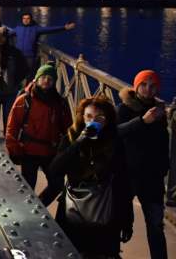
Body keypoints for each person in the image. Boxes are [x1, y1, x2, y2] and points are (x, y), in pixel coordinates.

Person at [50, 97, 133, 257]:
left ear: (107, 120)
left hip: (105, 210)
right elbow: (55, 169)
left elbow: (124, 181)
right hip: (73, 210)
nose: (92, 121)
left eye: (99, 118)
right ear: (82, 117)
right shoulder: (71, 137)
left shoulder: (114, 142)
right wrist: (79, 142)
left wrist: (127, 220)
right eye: (88, 116)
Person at [118, 70, 169, 259]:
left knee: (155, 225)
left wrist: (165, 167)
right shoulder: (124, 108)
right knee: (119, 221)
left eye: (153, 85)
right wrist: (142, 121)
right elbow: (116, 133)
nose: (148, 89)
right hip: (127, 174)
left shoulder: (160, 112)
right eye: (144, 84)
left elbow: (164, 142)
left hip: (153, 178)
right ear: (136, 85)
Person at [4, 64, 71, 206]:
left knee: (57, 184)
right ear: (37, 79)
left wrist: (66, 152)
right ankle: (27, 212)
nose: (46, 81)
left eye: (50, 78)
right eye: (43, 77)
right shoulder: (24, 100)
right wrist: (13, 149)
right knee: (27, 189)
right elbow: (12, 127)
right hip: (29, 151)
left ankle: (38, 206)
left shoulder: (60, 103)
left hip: (50, 152)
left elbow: (68, 129)